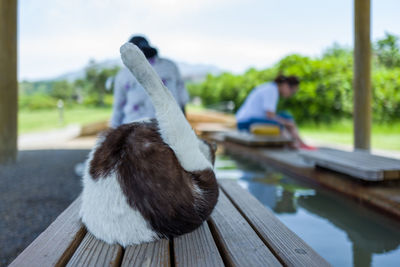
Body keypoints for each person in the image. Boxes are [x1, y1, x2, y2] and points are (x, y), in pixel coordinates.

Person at [110, 35, 189, 128]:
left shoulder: (123, 74)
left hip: (136, 128)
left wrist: (114, 130)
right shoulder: (170, 66)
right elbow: (182, 99)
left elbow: (118, 109)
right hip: (167, 127)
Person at [236, 75, 315, 150]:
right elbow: (270, 115)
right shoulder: (271, 90)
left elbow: (271, 115)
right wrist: (287, 123)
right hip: (245, 122)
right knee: (278, 124)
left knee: (286, 116)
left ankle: (300, 143)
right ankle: (291, 143)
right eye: (292, 92)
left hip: (252, 120)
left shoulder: (272, 88)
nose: (291, 95)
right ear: (285, 85)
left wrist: (287, 121)